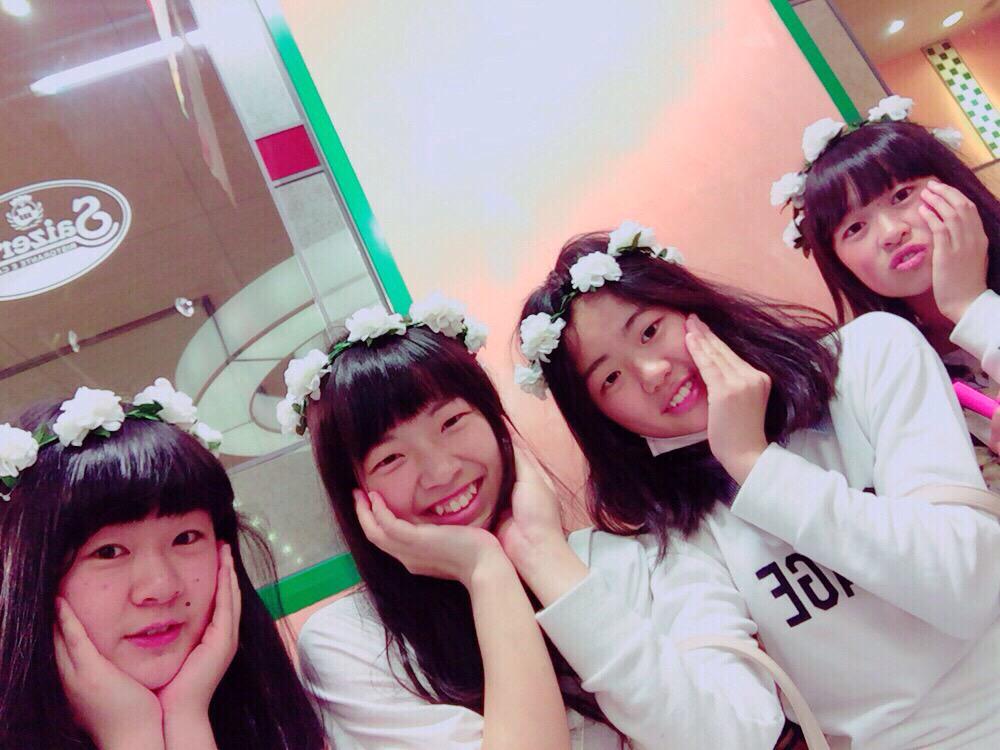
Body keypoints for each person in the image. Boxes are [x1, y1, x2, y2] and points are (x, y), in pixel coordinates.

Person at [517, 223, 1000, 749]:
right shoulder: (680, 537)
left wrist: (756, 465)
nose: (651, 372)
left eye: (650, 330)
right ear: (604, 420)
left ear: (689, 305)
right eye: (610, 379)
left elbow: (968, 585)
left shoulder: (867, 357)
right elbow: (731, 736)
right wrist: (539, 555)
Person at [283, 293, 787, 749]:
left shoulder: (648, 560)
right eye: (390, 458)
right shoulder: (351, 644)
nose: (440, 471)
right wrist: (487, 573)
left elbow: (740, 738)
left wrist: (544, 557)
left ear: (498, 425)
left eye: (452, 422)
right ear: (355, 495)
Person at [0, 380, 326, 750]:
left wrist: (186, 717)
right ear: (26, 576)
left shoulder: (271, 714)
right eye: (108, 552)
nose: (160, 587)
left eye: (185, 538)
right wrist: (131, 734)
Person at [772, 94, 1000, 487]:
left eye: (902, 196)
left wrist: (970, 305)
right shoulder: (883, 374)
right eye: (855, 228)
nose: (891, 233)